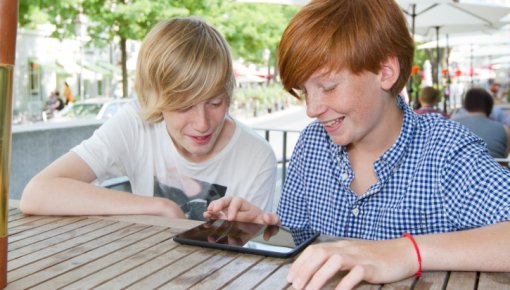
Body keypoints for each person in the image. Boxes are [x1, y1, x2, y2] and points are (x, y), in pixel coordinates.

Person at [205, 1, 510, 289]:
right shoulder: (312, 144)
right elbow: (297, 236)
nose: (312, 108)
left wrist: (407, 252)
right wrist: (265, 229)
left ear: (386, 72)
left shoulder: (445, 151)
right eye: (304, 91)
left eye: (328, 87)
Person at [20, 17, 277, 220]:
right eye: (183, 106)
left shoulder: (256, 155)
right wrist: (158, 206)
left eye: (215, 102)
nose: (202, 123)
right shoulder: (136, 123)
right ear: (156, 99)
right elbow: (37, 193)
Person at [453, 88, 509, 158]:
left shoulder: (453, 125)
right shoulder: (504, 129)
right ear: (490, 106)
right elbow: (504, 157)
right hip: (494, 167)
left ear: (466, 105)